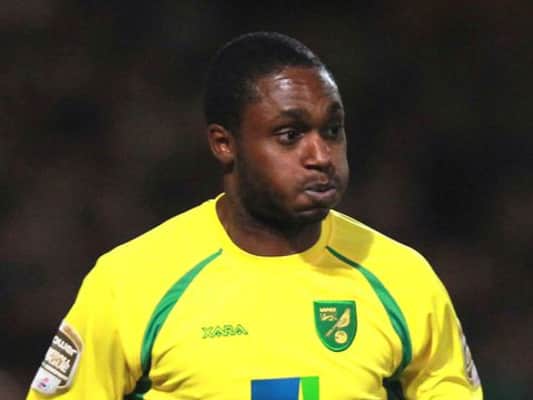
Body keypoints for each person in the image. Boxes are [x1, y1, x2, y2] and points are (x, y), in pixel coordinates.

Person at [27, 32, 482, 400]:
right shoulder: (131, 282)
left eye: (332, 130)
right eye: (289, 135)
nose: (321, 155)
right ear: (224, 144)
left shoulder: (403, 278)